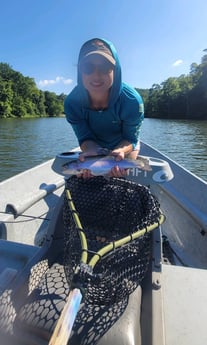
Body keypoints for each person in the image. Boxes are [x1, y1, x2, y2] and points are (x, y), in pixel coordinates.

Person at [64, 38, 144, 178]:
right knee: (89, 181)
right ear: (79, 71)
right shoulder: (72, 103)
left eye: (105, 67)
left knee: (123, 176)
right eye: (88, 67)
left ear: (115, 69)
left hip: (125, 145)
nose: (96, 75)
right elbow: (85, 137)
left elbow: (130, 138)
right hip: (95, 147)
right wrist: (90, 150)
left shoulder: (132, 101)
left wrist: (120, 151)